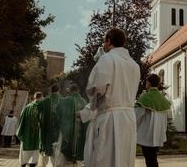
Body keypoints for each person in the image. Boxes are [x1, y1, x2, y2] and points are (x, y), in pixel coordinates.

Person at [86, 27, 141, 167]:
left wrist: (94, 105)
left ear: (109, 42)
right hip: (128, 117)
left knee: (105, 158)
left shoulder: (107, 58)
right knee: (124, 159)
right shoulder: (135, 65)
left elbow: (97, 88)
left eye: (105, 42)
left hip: (111, 117)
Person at [135, 74, 171, 167]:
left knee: (150, 159)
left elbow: (136, 116)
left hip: (147, 133)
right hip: (158, 133)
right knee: (152, 157)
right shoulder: (163, 99)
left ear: (149, 83)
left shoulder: (145, 97)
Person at [55, 84, 88, 167]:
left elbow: (57, 112)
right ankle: (77, 163)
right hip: (80, 130)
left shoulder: (66, 100)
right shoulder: (84, 101)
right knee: (78, 147)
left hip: (68, 130)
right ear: (78, 90)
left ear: (70, 90)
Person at [17, 92, 44, 167]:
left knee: (24, 151)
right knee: (35, 152)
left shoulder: (27, 107)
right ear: (41, 98)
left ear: (34, 98)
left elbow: (21, 120)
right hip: (37, 135)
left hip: (27, 135)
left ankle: (23, 164)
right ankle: (32, 164)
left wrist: (21, 130)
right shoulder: (42, 107)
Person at [38, 84, 62, 166]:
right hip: (58, 130)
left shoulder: (45, 101)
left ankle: (43, 164)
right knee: (56, 147)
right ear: (59, 90)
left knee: (46, 147)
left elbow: (38, 111)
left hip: (46, 129)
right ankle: (55, 164)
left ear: (51, 91)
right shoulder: (63, 100)